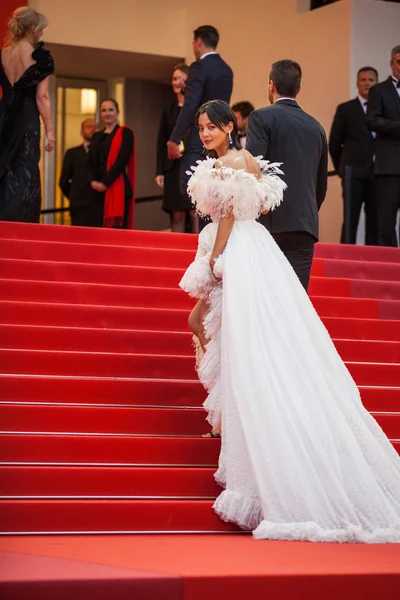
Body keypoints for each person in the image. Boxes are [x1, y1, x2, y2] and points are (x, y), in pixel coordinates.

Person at [179, 99, 400, 544]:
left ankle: (244, 436)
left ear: (228, 127)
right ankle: (233, 426)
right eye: (200, 128)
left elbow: (224, 219)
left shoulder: (227, 164)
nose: (204, 135)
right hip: (258, 248)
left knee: (227, 336)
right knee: (245, 337)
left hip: (237, 252)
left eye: (211, 127)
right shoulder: (247, 162)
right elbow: (257, 209)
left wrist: (215, 261)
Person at [246, 60, 328, 292]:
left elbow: (254, 169)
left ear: (271, 85)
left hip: (269, 221)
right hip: (305, 224)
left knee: (266, 296)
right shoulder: (317, 127)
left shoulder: (261, 117)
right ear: (298, 89)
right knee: (296, 299)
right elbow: (320, 185)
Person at [167, 25, 233, 231]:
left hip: (200, 138)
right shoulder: (226, 69)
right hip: (221, 140)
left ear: (198, 42)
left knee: (193, 190)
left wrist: (175, 138)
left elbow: (191, 104)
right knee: (216, 195)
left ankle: (205, 245)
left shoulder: (199, 67)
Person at [0, 7, 55, 223]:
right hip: (26, 118)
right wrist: (50, 131)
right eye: (41, 29)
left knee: (4, 167)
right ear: (33, 28)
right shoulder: (40, 56)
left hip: (4, 116)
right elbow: (42, 97)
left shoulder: (3, 54)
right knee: (25, 170)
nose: (41, 34)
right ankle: (21, 225)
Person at [329, 67, 378, 245]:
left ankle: (373, 262)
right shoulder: (346, 109)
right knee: (350, 220)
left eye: (371, 80)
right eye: (363, 80)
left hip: (378, 174)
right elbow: (334, 142)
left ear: (376, 83)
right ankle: (346, 260)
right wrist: (342, 168)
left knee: (376, 222)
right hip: (353, 174)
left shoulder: (384, 110)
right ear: (357, 83)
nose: (367, 83)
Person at [155, 64, 198, 233]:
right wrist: (159, 171)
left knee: (196, 212)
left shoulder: (197, 109)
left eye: (181, 78)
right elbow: (161, 142)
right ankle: (177, 256)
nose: (177, 82)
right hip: (173, 167)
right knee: (177, 214)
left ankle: (198, 256)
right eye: (174, 79)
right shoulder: (169, 111)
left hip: (194, 165)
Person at [366, 46, 400, 247]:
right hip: (389, 166)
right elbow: (372, 120)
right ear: (391, 64)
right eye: (399, 61)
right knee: (386, 221)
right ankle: (390, 267)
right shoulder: (379, 90)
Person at [87, 98, 135, 228]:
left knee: (116, 232)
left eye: (111, 110)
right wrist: (93, 182)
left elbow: (122, 160)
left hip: (116, 187)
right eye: (104, 110)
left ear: (117, 112)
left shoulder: (125, 133)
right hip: (96, 191)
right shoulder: (96, 136)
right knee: (97, 231)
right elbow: (89, 162)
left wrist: (105, 183)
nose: (107, 113)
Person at [59, 119, 98, 226]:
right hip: (79, 204)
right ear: (82, 132)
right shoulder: (72, 153)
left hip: (99, 204)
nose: (92, 130)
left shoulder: (103, 152)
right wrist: (74, 196)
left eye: (95, 127)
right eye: (89, 127)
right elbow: (63, 181)